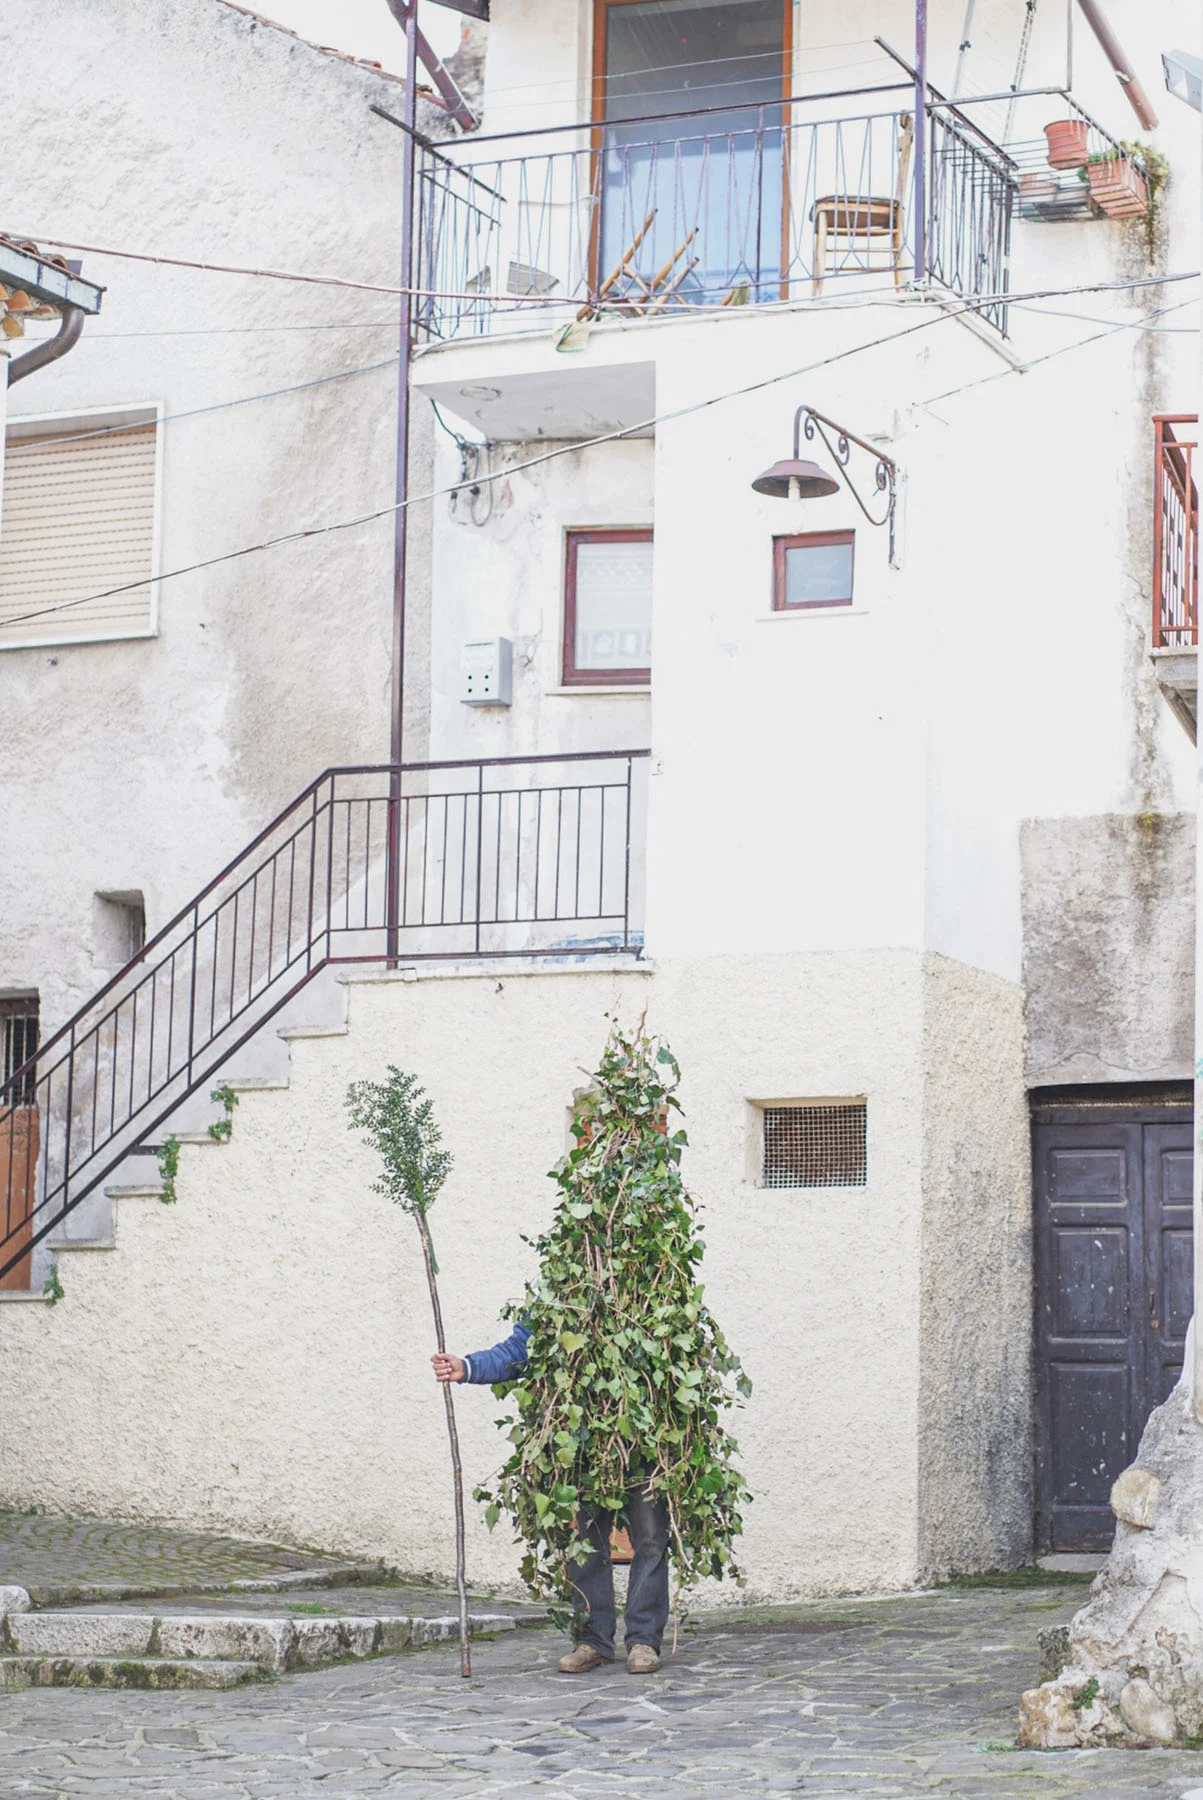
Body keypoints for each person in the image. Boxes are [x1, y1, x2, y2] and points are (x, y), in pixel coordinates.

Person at [433, 1321, 669, 1675]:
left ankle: (644, 1641)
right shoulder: (559, 1294)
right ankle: (593, 1640)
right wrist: (467, 1367)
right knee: (585, 1539)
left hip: (646, 1437)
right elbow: (520, 1352)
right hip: (581, 1437)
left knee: (650, 1536)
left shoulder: (651, 1277)